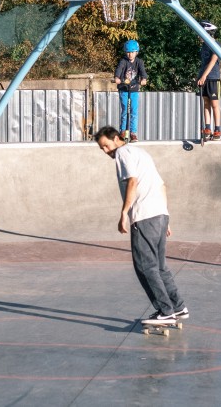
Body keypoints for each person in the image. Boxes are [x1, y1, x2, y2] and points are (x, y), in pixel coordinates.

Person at [94, 126, 188, 325]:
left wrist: (124, 213)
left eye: (106, 145)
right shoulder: (141, 153)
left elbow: (132, 182)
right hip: (159, 215)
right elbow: (161, 184)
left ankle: (165, 311)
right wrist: (166, 216)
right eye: (102, 148)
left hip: (144, 216)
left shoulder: (123, 152)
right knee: (160, 266)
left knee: (145, 266)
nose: (106, 151)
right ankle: (178, 307)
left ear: (117, 139)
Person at [114, 39, 148, 142]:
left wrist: (144, 79)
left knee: (134, 111)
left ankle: (133, 133)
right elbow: (119, 70)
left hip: (134, 90)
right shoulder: (123, 61)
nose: (130, 54)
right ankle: (123, 131)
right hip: (124, 89)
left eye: (132, 52)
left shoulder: (139, 62)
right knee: (125, 110)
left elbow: (143, 72)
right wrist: (117, 78)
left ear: (136, 52)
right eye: (128, 52)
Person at [197, 20, 221, 141]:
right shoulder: (203, 46)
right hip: (204, 78)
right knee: (206, 103)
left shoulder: (216, 44)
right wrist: (200, 77)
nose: (198, 36)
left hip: (213, 77)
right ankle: (207, 128)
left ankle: (217, 129)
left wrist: (204, 76)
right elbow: (203, 63)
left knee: (214, 104)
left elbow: (213, 61)